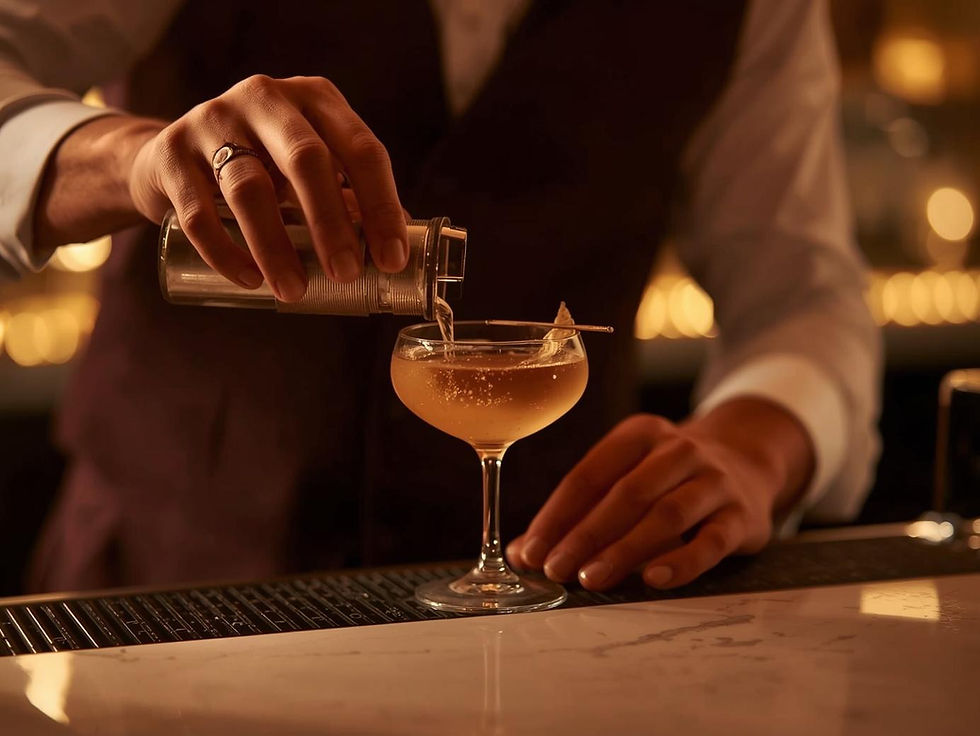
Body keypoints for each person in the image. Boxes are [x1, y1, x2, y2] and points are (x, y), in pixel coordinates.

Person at [0, 0, 880, 595]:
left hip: (560, 623)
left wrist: (753, 451)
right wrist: (132, 160)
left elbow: (802, 298)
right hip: (166, 596)